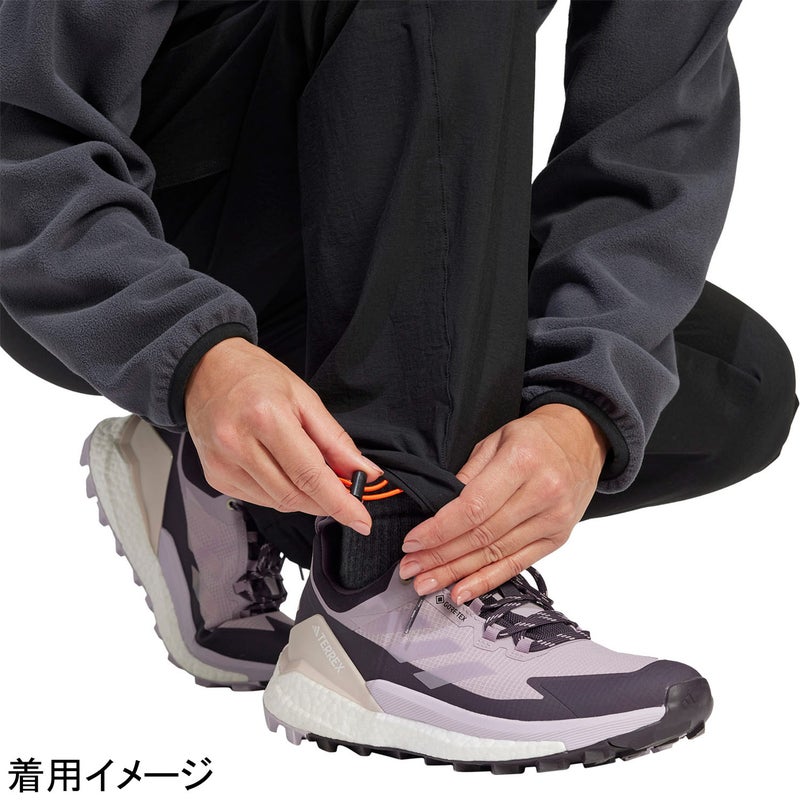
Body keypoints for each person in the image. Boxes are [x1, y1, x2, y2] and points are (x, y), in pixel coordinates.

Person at [1, 0, 796, 773]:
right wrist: (185, 351)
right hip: (101, 229)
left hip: (370, 196)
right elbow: (22, 126)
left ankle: (234, 475)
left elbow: (653, 127)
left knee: (731, 381)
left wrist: (584, 403)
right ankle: (382, 598)